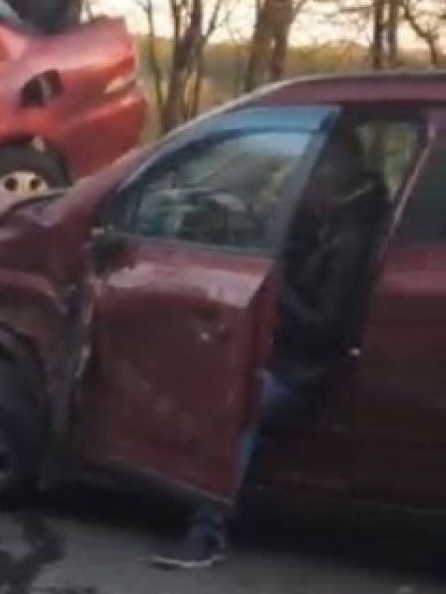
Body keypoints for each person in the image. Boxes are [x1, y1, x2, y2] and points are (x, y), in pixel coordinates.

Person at [151, 126, 387, 570]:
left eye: (316, 170)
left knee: (237, 409)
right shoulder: (338, 214)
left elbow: (323, 326)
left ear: (339, 172)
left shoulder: (354, 235)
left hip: (309, 369)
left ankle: (206, 533)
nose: (309, 180)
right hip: (286, 352)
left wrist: (274, 282)